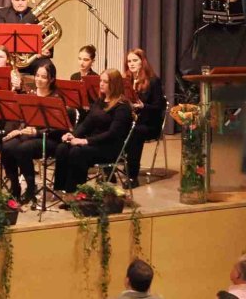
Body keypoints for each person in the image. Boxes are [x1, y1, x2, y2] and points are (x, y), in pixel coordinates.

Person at [53, 69, 133, 193]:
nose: (101, 84)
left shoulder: (122, 107)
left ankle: (76, 193)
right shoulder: (99, 101)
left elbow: (112, 134)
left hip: (109, 148)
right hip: (94, 144)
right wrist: (72, 135)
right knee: (62, 147)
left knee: (77, 152)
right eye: (101, 80)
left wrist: (85, 141)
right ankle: (61, 190)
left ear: (114, 84)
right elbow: (86, 124)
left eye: (105, 82)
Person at [0, 62, 65, 204]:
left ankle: (30, 187)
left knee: (23, 148)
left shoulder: (56, 98)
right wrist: (19, 129)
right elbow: (23, 117)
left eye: (43, 77)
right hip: (28, 134)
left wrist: (36, 132)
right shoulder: (30, 94)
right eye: (37, 76)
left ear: (51, 79)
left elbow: (59, 127)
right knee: (6, 147)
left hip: (49, 138)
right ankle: (15, 186)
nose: (39, 79)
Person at [123, 48, 166, 188]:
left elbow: (159, 107)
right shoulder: (126, 80)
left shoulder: (153, 81)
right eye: (129, 61)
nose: (131, 63)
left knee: (135, 132)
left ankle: (132, 176)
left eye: (135, 60)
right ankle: (109, 169)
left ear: (143, 62)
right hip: (131, 122)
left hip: (150, 124)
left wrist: (143, 106)